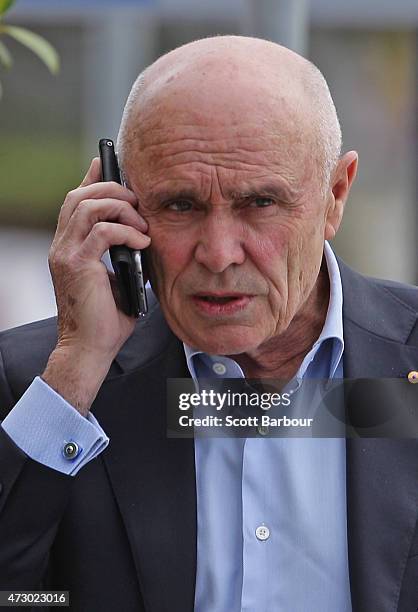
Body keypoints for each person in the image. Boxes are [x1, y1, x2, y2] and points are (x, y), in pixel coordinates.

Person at [0, 35, 417, 612]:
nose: (219, 254)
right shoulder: (42, 386)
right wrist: (75, 372)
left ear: (334, 196)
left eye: (260, 204)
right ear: (120, 205)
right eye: (180, 205)